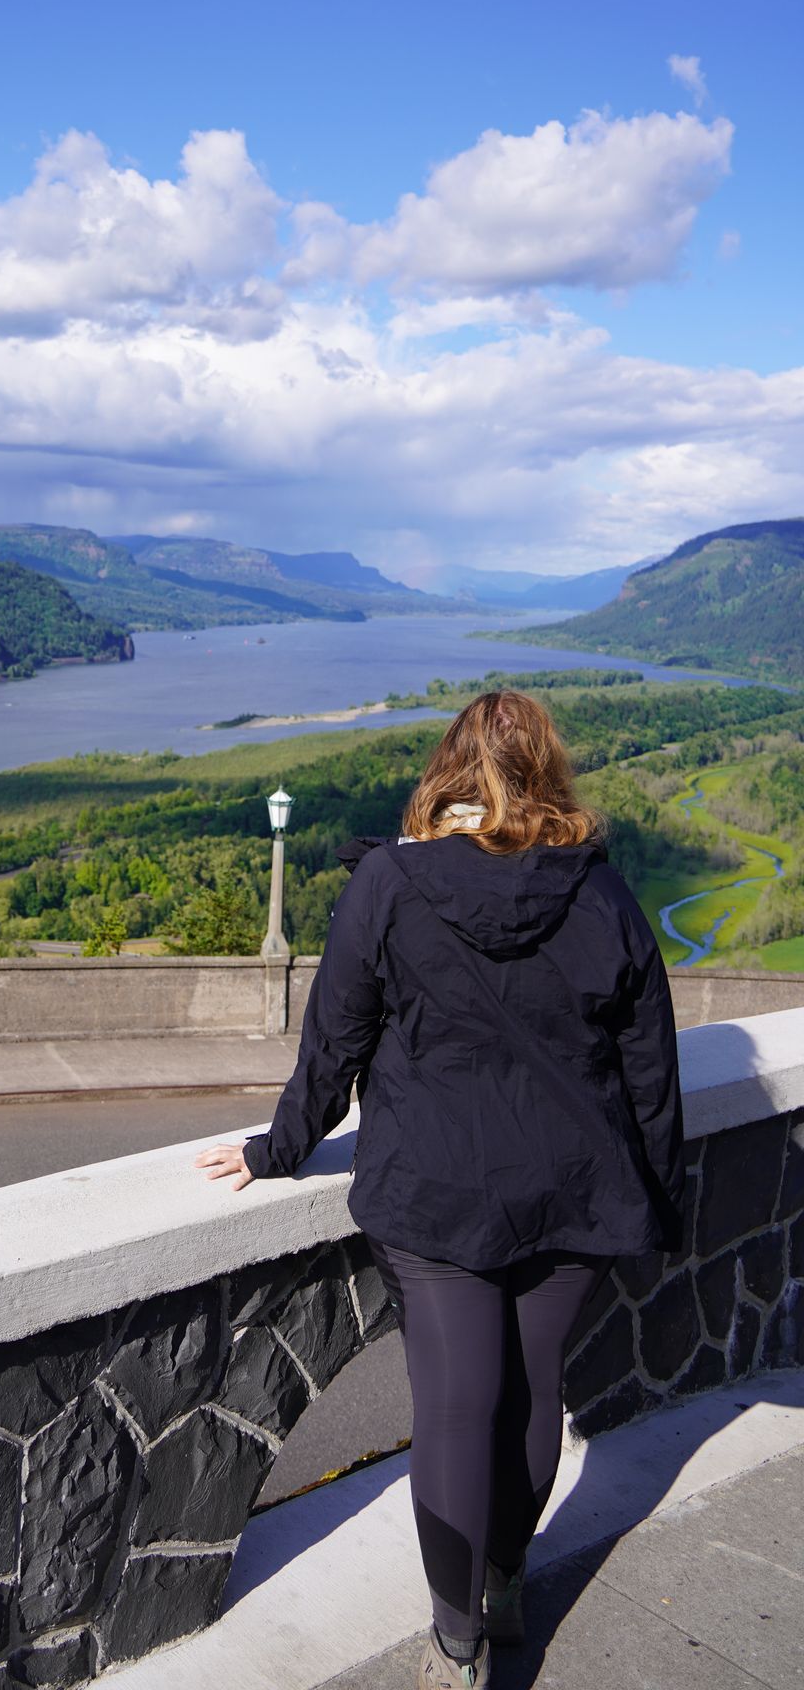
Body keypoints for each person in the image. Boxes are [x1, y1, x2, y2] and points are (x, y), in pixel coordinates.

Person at [195, 691, 683, 1690]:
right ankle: (502, 1586)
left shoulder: (389, 884)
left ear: (445, 772)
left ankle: (455, 1642)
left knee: (458, 1411)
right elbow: (650, 1068)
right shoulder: (599, 891)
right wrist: (660, 1193)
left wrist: (275, 1149)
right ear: (547, 772)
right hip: (572, 1194)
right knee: (532, 1395)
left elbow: (333, 1044)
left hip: (432, 1197)